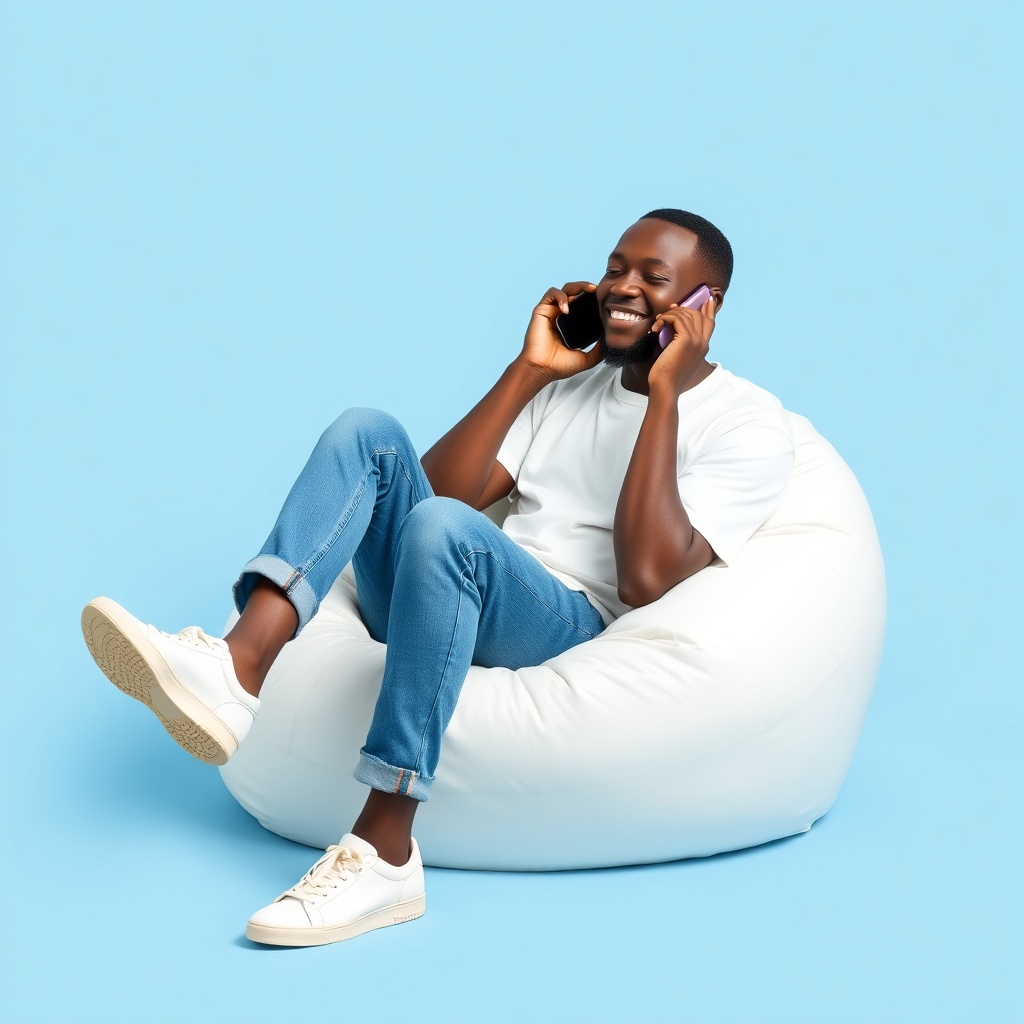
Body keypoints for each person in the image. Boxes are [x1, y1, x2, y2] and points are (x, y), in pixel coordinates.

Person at [81, 208, 795, 948]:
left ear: (705, 307)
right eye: (615, 268)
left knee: (447, 529)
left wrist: (666, 394)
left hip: (566, 620)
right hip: (445, 585)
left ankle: (385, 849)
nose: (622, 287)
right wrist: (529, 372)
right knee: (369, 432)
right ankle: (238, 667)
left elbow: (647, 577)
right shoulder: (568, 391)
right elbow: (435, 491)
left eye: (655, 278)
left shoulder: (746, 422)